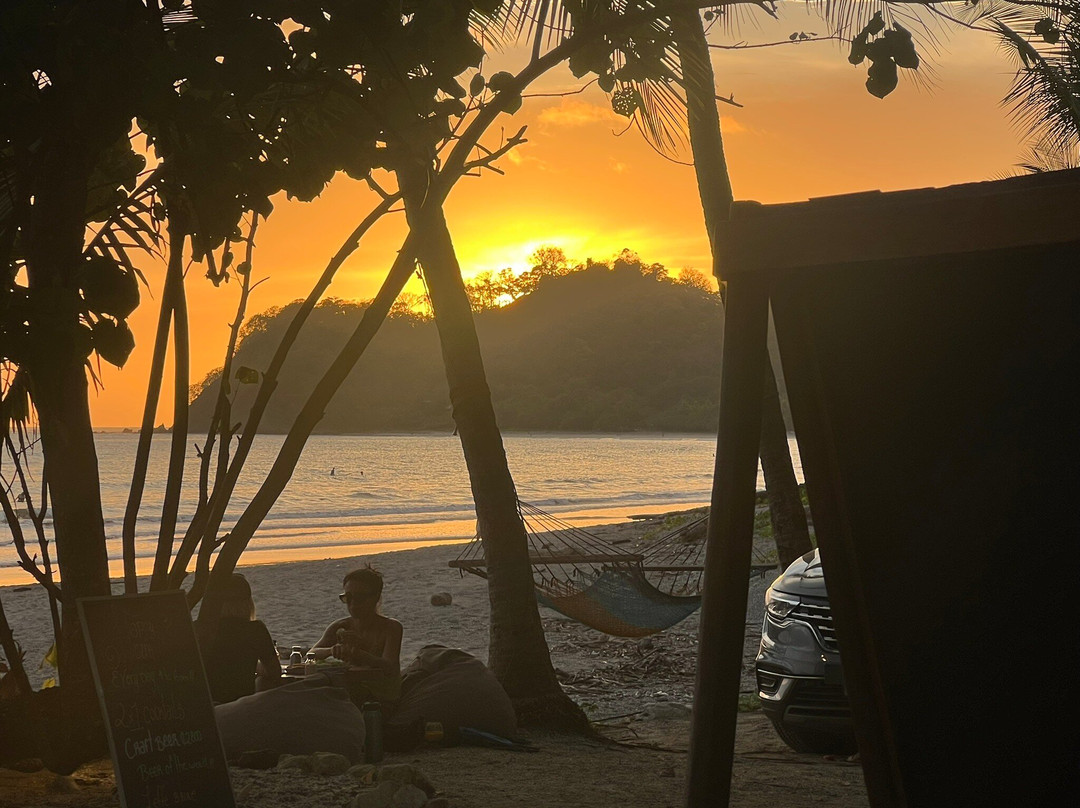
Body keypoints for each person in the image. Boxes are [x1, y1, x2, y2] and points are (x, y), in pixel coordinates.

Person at [312, 565, 403, 705]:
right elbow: (311, 655)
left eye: (360, 598)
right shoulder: (340, 626)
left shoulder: (391, 628)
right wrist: (332, 650)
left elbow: (390, 667)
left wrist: (359, 655)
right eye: (348, 598)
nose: (353, 604)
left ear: (376, 597)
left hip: (381, 699)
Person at [201, 573, 282, 704]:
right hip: (240, 705)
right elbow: (274, 672)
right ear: (248, 603)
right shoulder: (255, 630)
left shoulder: (198, 629)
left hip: (205, 704)